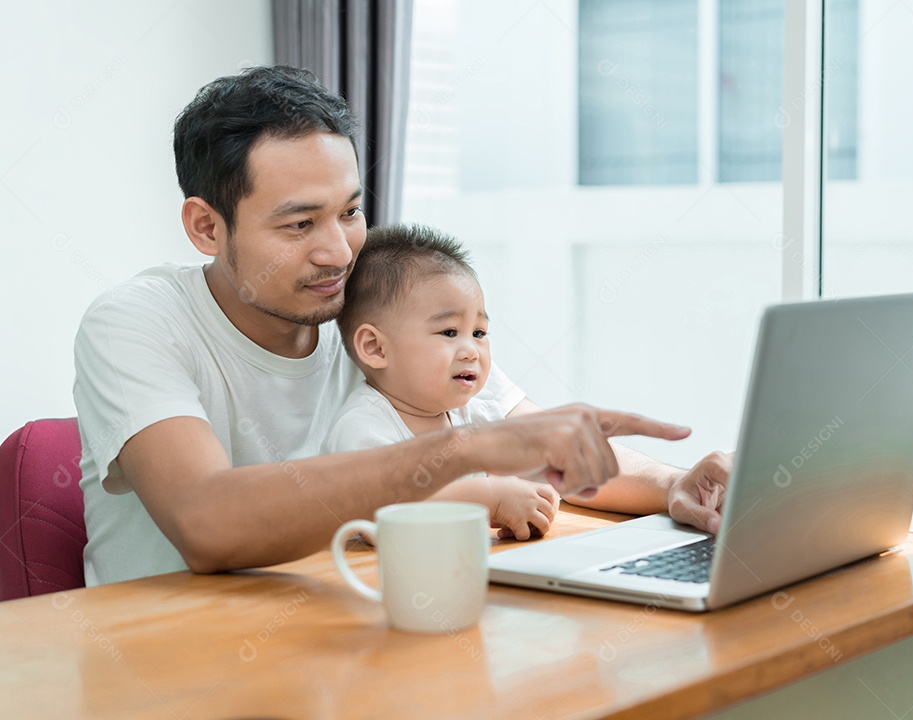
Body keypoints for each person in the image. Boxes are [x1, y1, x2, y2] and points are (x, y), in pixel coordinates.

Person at [73, 65, 731, 587]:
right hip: (169, 665)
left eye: (350, 212)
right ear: (206, 227)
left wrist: (672, 486)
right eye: (300, 224)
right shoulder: (136, 323)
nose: (338, 251)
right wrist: (463, 454)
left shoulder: (365, 303)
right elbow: (206, 523)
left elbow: (533, 436)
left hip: (335, 641)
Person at [323, 223, 559, 541]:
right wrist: (490, 498)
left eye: (479, 333)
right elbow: (379, 511)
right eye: (449, 332)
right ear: (376, 348)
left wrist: (533, 492)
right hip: (380, 581)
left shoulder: (474, 417)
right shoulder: (364, 427)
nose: (472, 351)